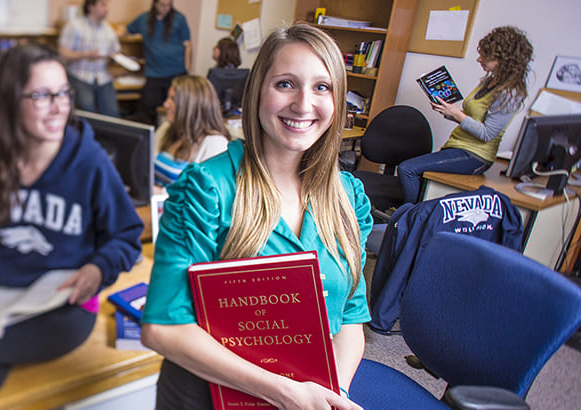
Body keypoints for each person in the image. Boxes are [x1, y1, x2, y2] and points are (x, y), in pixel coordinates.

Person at [141, 24, 371, 409]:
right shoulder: (207, 188)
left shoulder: (348, 197)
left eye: (322, 87)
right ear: (256, 91)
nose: (303, 104)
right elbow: (163, 328)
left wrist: (336, 394)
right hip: (206, 398)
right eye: (285, 84)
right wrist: (286, 393)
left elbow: (350, 316)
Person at [0, 44, 143, 409]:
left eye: (63, 93)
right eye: (41, 95)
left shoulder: (90, 163)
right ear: (11, 101)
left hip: (63, 306)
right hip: (1, 299)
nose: (58, 106)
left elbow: (126, 234)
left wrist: (97, 268)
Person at [398, 26, 534, 203]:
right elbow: (472, 119)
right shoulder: (490, 81)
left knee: (407, 169)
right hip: (458, 146)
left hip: (475, 155)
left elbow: (487, 134)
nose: (479, 59)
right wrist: (448, 111)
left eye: (485, 56)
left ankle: (411, 219)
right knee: (418, 174)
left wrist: (457, 114)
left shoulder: (509, 93)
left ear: (503, 59)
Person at [126, 0, 191, 125]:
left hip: (176, 72)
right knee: (147, 107)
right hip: (154, 73)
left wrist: (187, 67)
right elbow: (126, 31)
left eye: (168, 5)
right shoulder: (144, 19)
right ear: (155, 3)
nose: (165, 8)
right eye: (162, 5)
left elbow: (188, 45)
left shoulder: (179, 18)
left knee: (178, 108)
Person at [154, 75, 230, 188]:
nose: (165, 104)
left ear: (191, 106)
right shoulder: (168, 128)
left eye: (173, 99)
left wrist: (159, 193)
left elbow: (203, 195)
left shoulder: (215, 144)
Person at [58, 0, 121, 117]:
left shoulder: (108, 30)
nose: (107, 9)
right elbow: (62, 53)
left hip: (103, 77)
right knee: (86, 108)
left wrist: (113, 58)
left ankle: (106, 137)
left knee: (112, 112)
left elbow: (116, 52)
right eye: (103, 4)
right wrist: (86, 55)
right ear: (91, 7)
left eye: (107, 5)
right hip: (81, 76)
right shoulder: (74, 26)